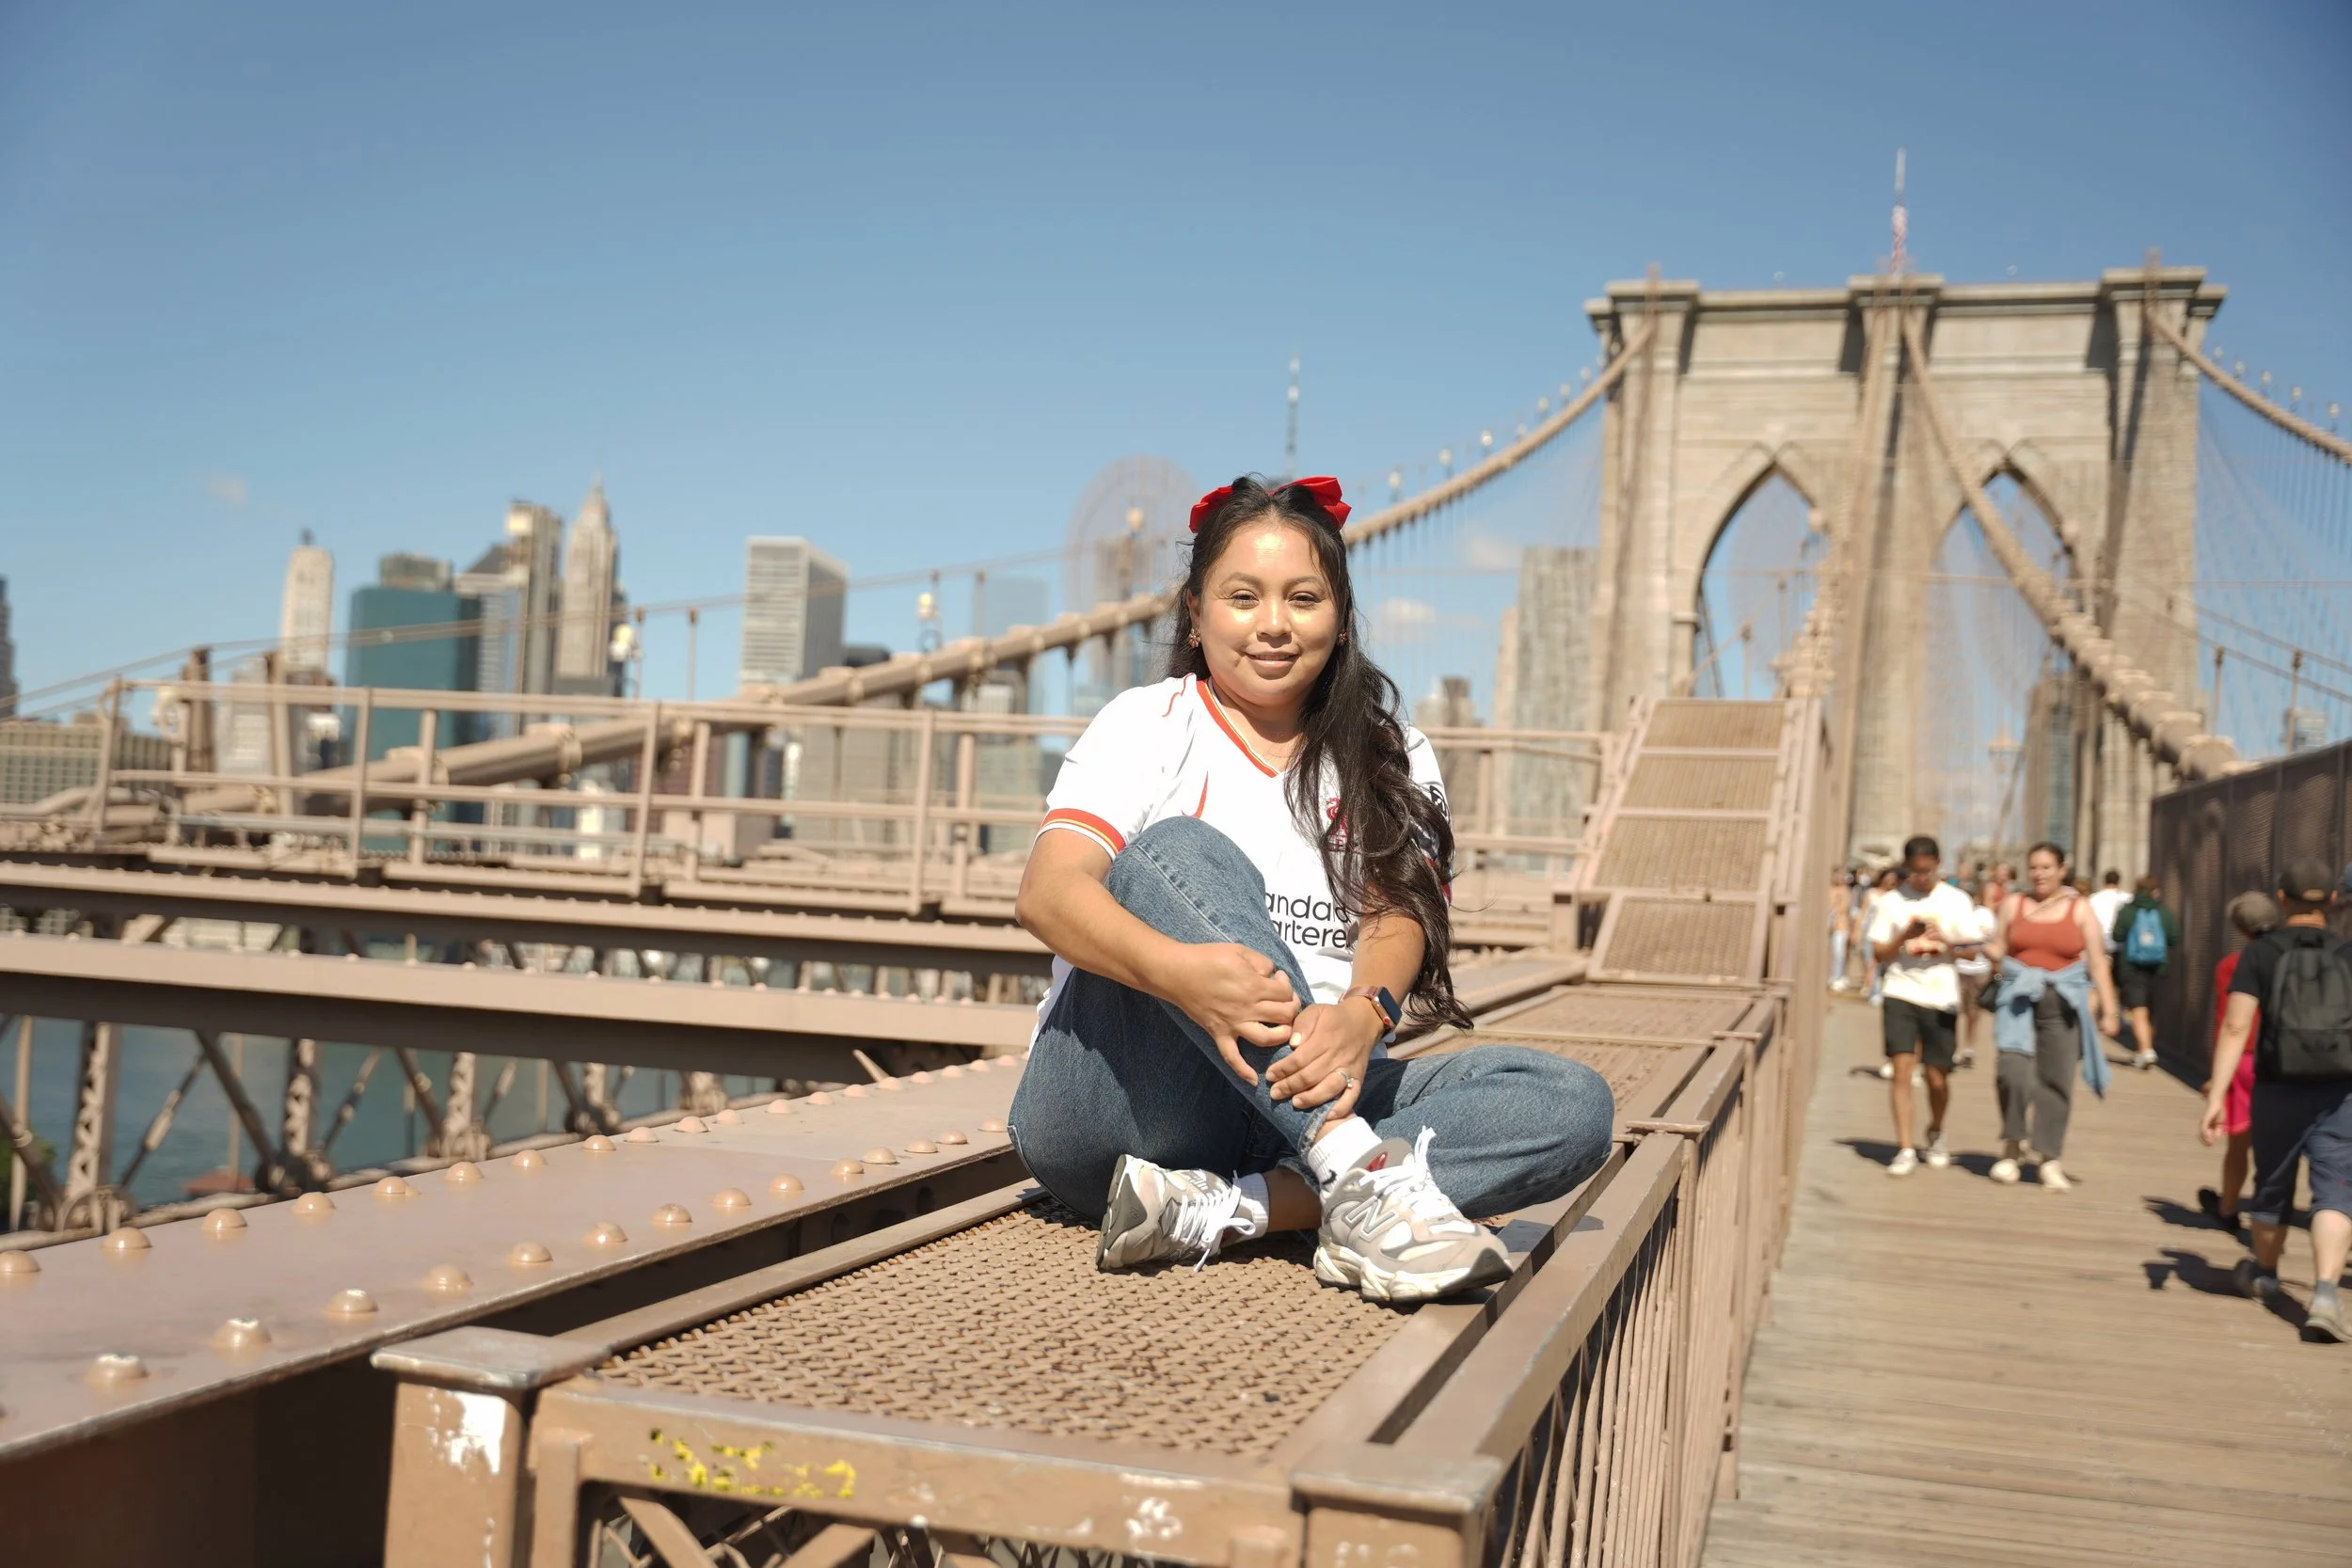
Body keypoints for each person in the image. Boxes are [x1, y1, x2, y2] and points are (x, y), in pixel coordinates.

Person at [1009, 474, 1615, 1303]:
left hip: (1309, 1089)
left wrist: (1364, 1015)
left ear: (1340, 615)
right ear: (1195, 612)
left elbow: (1399, 912)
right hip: (1125, 1108)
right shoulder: (1148, 723)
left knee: (1571, 1105)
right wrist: (1183, 976)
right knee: (1178, 847)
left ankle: (1240, 1208)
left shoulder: (1391, 750)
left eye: (1303, 597)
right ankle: (1354, 1170)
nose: (1273, 624)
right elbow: (1048, 893)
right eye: (1242, 596)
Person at [2203, 858, 2352, 1342]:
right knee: (2335, 1191)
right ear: (2331, 902)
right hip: (2340, 1089)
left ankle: (2266, 1272)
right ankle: (2326, 1293)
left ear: (2281, 899)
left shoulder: (2261, 953)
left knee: (2272, 1188)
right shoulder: (2347, 953)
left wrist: (2218, 1093)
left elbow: (2236, 1025)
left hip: (2277, 1086)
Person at [1987, 842, 2122, 1191]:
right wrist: (1984, 951)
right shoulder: (2014, 904)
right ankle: (2012, 1146)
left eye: (2047, 867)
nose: (2039, 874)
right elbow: (1999, 947)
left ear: (2063, 869)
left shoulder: (2080, 909)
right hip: (2017, 998)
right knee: (2011, 1072)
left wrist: (2109, 1010)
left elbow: (2096, 962)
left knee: (2056, 1079)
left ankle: (2049, 1158)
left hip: (2062, 1002)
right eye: (2034, 867)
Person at [1866, 835, 1978, 1176]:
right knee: (1902, 1070)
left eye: (1927, 872)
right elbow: (1879, 954)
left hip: (1941, 996)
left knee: (1936, 1077)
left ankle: (1936, 1130)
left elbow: (1972, 951)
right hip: (1901, 991)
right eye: (1914, 873)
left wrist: (1944, 938)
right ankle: (1904, 1148)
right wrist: (1905, 935)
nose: (1921, 879)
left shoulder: (1957, 900)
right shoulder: (1890, 902)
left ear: (1938, 864)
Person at [2198, 892, 2280, 1232]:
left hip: (2243, 1060)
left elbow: (2227, 1021)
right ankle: (2272, 1214)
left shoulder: (2232, 965)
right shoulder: (2295, 957)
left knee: (2240, 1144)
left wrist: (2216, 1079)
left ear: (2240, 928)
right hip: (2285, 1059)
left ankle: (2229, 1207)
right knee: (2280, 1146)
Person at [2111, 875, 2182, 1069]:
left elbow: (2117, 935)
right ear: (2155, 891)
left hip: (2131, 966)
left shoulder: (2127, 911)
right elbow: (2174, 939)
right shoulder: (2164, 913)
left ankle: (2145, 1049)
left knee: (2138, 1009)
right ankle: (2145, 1048)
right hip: (2159, 967)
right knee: (2151, 1011)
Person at [1953, 879, 2002, 1069]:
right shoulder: (1961, 913)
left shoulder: (1990, 915)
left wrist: (1995, 965)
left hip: (1979, 970)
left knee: (1973, 1013)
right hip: (1958, 968)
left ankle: (1968, 1049)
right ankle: (1953, 1047)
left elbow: (1993, 941)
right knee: (1954, 1011)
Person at [2089, 869, 2129, 962]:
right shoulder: (2127, 898)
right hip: (2119, 942)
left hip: (2099, 940)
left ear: (2104, 881)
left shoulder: (2093, 898)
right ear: (2119, 881)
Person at [1829, 868, 1856, 992]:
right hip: (1830, 925)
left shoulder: (1846, 891)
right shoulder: (1829, 889)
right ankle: (1831, 975)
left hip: (1841, 925)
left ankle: (1837, 976)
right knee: (1831, 952)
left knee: (1839, 953)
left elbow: (1846, 910)